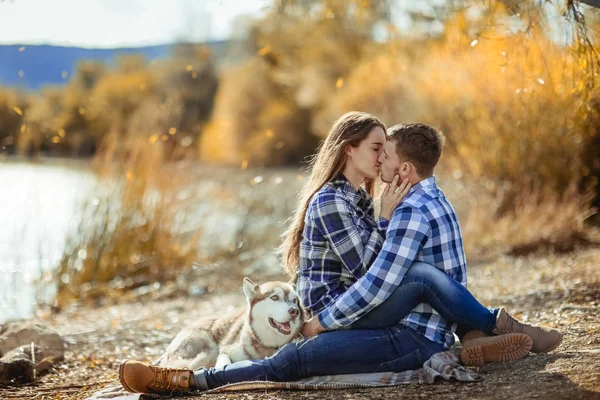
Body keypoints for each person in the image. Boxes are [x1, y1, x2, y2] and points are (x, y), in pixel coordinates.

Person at [118, 113, 562, 394]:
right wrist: (319, 321)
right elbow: (371, 274)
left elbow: (376, 274)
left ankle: (480, 332)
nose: (381, 158)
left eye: (386, 151)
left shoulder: (365, 201)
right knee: (419, 280)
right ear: (349, 150)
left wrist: (384, 217)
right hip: (339, 307)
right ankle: (182, 379)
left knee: (420, 279)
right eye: (376, 148)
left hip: (362, 311)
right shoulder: (336, 201)